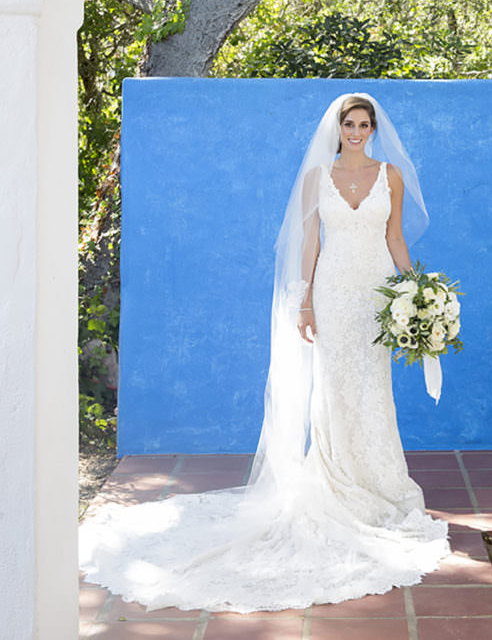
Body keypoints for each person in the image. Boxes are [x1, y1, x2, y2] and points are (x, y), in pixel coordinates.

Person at [79, 92, 449, 613]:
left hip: (378, 294)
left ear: (373, 129)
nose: (356, 132)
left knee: (373, 387)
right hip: (333, 291)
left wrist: (418, 293)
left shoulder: (390, 176)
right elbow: (310, 243)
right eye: (349, 124)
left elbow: (395, 239)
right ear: (338, 128)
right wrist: (305, 302)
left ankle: (380, 482)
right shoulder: (317, 177)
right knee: (333, 388)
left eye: (364, 124)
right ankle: (336, 481)